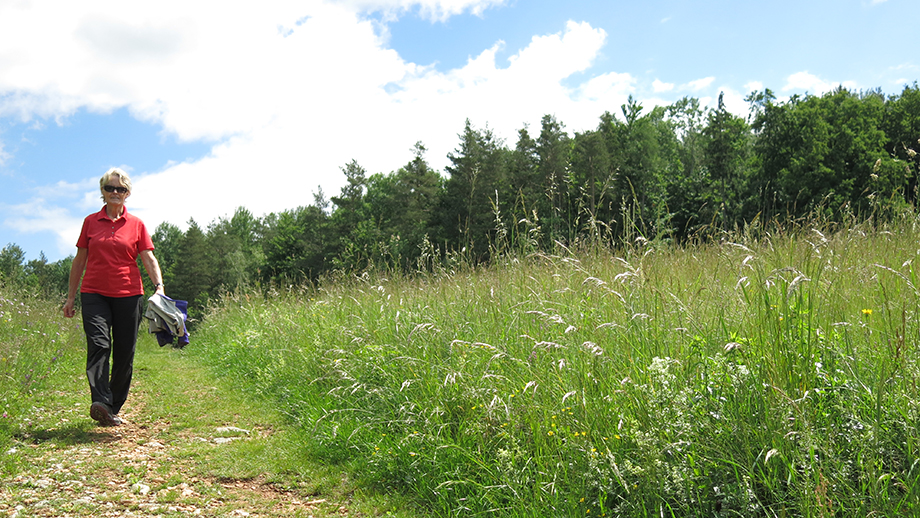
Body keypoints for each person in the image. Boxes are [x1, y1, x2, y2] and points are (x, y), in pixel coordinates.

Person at [63, 167, 165, 427]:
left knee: (124, 352)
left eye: (121, 189)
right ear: (103, 192)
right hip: (94, 292)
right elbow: (80, 260)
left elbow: (148, 257)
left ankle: (112, 406)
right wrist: (71, 297)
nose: (115, 193)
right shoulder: (90, 222)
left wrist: (159, 287)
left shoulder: (137, 224)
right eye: (110, 188)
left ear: (127, 193)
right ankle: (99, 400)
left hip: (129, 294)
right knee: (99, 344)